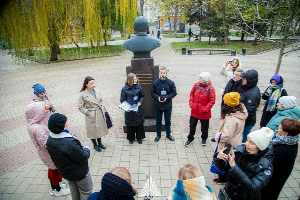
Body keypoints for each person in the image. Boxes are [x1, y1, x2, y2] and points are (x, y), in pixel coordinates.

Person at [25, 83, 70, 196]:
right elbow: (46, 144)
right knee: (53, 168)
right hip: (47, 152)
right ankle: (56, 190)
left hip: (47, 146)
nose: (44, 95)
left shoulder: (34, 123)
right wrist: (58, 141)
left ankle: (56, 186)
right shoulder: (38, 128)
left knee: (52, 168)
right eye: (42, 112)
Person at [213, 127, 274, 200]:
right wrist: (218, 158)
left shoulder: (265, 166)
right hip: (228, 192)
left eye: (251, 143)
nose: (246, 144)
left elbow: (252, 187)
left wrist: (234, 167)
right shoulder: (240, 151)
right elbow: (222, 168)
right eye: (247, 140)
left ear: (260, 146)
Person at [46, 113, 93, 200]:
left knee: (74, 190)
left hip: (66, 173)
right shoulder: (68, 142)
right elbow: (82, 157)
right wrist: (86, 149)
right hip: (80, 173)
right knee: (86, 191)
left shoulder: (50, 140)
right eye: (66, 122)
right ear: (62, 126)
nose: (67, 123)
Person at [212, 92, 248, 184]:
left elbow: (227, 135)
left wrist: (218, 135)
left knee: (224, 160)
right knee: (230, 160)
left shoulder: (232, 119)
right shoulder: (241, 110)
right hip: (236, 140)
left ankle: (223, 178)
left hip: (228, 144)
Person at [261, 118, 300, 200]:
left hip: (274, 178)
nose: (277, 128)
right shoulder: (287, 140)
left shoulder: (284, 149)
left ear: (286, 133)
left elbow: (269, 162)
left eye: (280, 128)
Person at [78, 76, 109, 152]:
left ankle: (100, 143)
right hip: (91, 114)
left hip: (99, 112)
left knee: (99, 129)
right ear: (86, 84)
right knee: (92, 130)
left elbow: (101, 100)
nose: (93, 85)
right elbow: (80, 106)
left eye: (93, 83)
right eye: (91, 83)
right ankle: (95, 145)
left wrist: (102, 106)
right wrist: (88, 112)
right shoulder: (82, 94)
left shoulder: (96, 90)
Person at [185, 72, 216, 147]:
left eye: (201, 78)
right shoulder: (196, 85)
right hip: (194, 111)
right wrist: (191, 104)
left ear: (205, 79)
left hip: (204, 113)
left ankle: (204, 138)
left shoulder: (211, 88)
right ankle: (190, 138)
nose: (199, 79)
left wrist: (205, 109)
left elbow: (212, 101)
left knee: (204, 127)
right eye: (199, 77)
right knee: (192, 126)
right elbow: (191, 94)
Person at [151, 66, 177, 142]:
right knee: (158, 121)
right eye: (161, 73)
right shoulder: (155, 83)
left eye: (164, 73)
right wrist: (158, 97)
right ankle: (158, 135)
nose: (163, 74)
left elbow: (174, 93)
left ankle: (168, 134)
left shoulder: (171, 82)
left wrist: (167, 97)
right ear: (159, 73)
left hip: (167, 105)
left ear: (166, 73)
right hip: (158, 105)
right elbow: (152, 93)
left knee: (168, 121)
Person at [120, 73, 146, 144]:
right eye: (133, 79)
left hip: (137, 108)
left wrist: (140, 102)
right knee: (130, 124)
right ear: (129, 80)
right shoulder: (124, 89)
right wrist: (127, 108)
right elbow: (122, 100)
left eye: (135, 79)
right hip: (129, 110)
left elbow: (142, 96)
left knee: (139, 123)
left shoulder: (138, 87)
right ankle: (131, 138)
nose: (135, 80)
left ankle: (139, 137)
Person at [240, 69, 261, 142]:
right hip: (246, 121)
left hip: (246, 122)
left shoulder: (252, 95)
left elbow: (249, 111)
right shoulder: (248, 88)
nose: (242, 80)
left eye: (244, 78)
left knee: (242, 140)